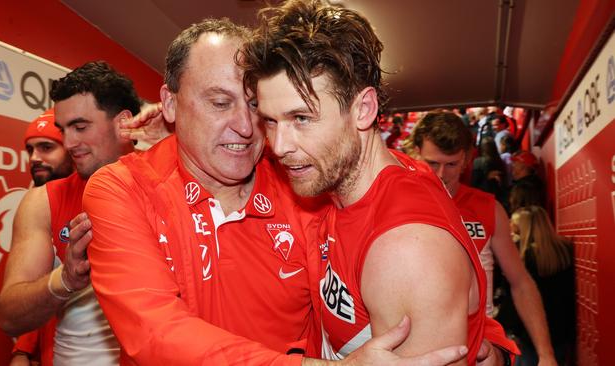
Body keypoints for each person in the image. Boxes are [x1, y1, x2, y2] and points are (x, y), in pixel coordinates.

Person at [81, 17, 469, 366]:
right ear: (170, 103)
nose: (247, 127)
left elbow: (398, 221)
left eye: (254, 106)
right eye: (219, 103)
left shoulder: (303, 177)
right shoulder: (122, 188)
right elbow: (156, 333)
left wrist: (483, 338)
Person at [240, 1, 518, 363]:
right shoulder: (357, 177)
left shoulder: (404, 250)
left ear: (364, 110)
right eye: (271, 121)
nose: (279, 146)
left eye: (302, 118)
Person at [0, 61, 141, 365]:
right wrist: (66, 278)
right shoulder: (44, 200)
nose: (69, 142)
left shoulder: (168, 188)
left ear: (123, 123)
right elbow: (9, 315)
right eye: (64, 130)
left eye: (80, 127)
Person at [403, 111, 556, 365]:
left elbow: (520, 282)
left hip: (479, 346)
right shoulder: (399, 205)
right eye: (432, 163)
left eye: (451, 164)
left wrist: (546, 354)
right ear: (417, 153)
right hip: (417, 346)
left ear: (466, 160)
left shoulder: (488, 208)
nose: (441, 174)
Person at [10, 109, 76, 366]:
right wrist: (22, 350)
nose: (35, 158)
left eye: (47, 147)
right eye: (30, 150)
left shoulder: (99, 196)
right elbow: (32, 286)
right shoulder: (33, 206)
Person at [509, 206, 575, 365]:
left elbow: (517, 301)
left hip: (530, 335)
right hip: (561, 331)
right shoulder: (564, 250)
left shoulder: (523, 257)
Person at [24, 108, 74, 187]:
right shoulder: (32, 197)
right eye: (30, 150)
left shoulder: (96, 194)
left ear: (72, 151)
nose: (33, 158)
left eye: (46, 148)